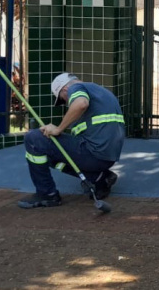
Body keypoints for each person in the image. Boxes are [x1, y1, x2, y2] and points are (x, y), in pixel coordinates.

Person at [18, 72, 126, 209]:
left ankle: (47, 194)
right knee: (49, 155)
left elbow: (81, 103)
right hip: (107, 157)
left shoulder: (76, 88)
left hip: (93, 152)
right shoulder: (102, 92)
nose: (66, 103)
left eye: (63, 99)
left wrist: (58, 129)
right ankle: (99, 178)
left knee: (34, 138)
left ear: (64, 89)